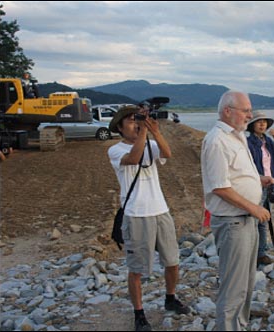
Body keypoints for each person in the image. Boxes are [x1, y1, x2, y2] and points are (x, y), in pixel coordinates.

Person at [107, 105, 190, 332]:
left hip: (160, 210)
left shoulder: (150, 144)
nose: (136, 124)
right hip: (136, 214)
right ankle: (139, 313)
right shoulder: (115, 150)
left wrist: (155, 131)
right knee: (137, 269)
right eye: (132, 121)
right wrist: (144, 131)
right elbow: (133, 159)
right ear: (120, 127)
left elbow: (167, 154)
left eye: (138, 120)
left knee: (172, 261)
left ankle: (170, 298)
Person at [201, 90, 274, 331]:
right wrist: (254, 207)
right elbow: (219, 187)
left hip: (245, 221)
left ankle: (239, 324)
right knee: (233, 287)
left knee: (246, 282)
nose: (250, 115)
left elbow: (235, 175)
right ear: (228, 111)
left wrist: (258, 179)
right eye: (246, 111)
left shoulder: (237, 136)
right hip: (234, 222)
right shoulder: (216, 141)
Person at [246, 111, 274, 265]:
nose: (262, 124)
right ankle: (254, 253)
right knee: (257, 220)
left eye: (264, 122)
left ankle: (260, 253)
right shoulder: (249, 143)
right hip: (257, 185)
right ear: (252, 125)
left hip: (271, 185)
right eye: (258, 122)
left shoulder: (267, 141)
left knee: (264, 219)